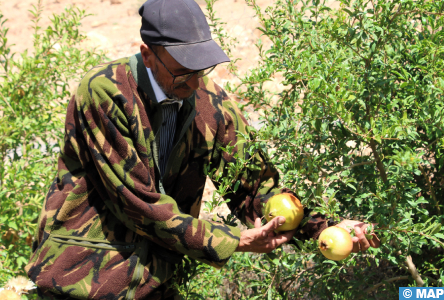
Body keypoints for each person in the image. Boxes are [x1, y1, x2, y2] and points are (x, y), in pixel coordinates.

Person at [25, 0, 380, 299]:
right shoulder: (105, 93)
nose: (195, 82)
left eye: (201, 67)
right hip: (81, 280)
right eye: (183, 72)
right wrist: (234, 241)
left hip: (153, 282)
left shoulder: (208, 100)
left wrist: (323, 228)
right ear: (148, 55)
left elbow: (254, 186)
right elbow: (140, 203)